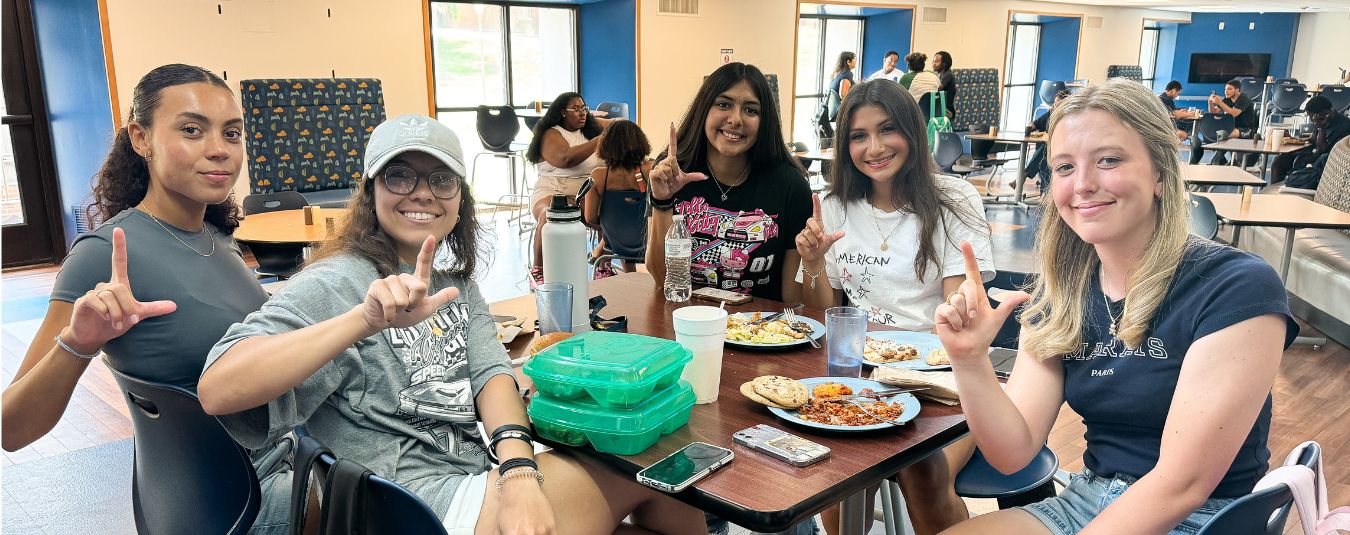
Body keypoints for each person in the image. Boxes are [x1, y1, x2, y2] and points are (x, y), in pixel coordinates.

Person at [198, 114, 706, 535]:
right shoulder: (340, 279)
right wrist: (362, 320)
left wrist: (519, 473)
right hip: (409, 508)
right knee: (660, 471)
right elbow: (218, 389)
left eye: (440, 179)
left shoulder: (452, 282)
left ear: (459, 196)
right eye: (399, 176)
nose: (422, 194)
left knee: (655, 497)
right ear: (370, 190)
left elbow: (492, 375)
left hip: (472, 476)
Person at [934, 79, 1298, 534]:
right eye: (1064, 167)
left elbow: (1183, 484)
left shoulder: (1234, 286)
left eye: (1108, 160)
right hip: (1089, 498)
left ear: (1160, 174)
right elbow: (1013, 454)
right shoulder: (1063, 292)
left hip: (1202, 517)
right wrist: (969, 361)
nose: (1083, 184)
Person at [1, 64, 266, 452]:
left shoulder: (217, 235)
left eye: (232, 133)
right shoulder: (104, 253)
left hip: (280, 444)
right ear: (141, 139)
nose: (219, 149)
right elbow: (11, 429)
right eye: (191, 130)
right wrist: (79, 342)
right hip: (234, 483)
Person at [795, 79, 993, 535]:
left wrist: (963, 305)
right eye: (859, 136)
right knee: (838, 469)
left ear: (912, 131)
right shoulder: (835, 205)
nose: (875, 147)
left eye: (887, 130)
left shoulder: (952, 198)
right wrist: (814, 263)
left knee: (921, 469)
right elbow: (823, 310)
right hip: (860, 374)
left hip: (941, 377)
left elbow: (960, 301)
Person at [645, 62, 811, 307]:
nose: (735, 119)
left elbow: (792, 299)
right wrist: (662, 202)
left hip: (758, 330)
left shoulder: (790, 185)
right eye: (723, 104)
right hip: (688, 321)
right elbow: (662, 278)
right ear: (704, 110)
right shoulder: (673, 172)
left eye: (751, 110)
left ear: (764, 121)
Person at [524, 91, 613, 286]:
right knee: (549, 214)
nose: (582, 113)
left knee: (608, 211)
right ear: (562, 112)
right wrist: (599, 140)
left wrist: (616, 129)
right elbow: (565, 159)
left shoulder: (591, 130)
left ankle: (602, 264)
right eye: (575, 109)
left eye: (584, 109)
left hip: (585, 190)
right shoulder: (551, 133)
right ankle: (538, 270)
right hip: (552, 189)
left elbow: (618, 126)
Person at [584, 119, 653, 274]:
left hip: (616, 242)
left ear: (606, 145)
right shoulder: (650, 170)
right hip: (650, 241)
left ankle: (627, 274)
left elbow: (590, 218)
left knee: (618, 227)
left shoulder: (598, 176)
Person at [1272, 95, 1350, 187]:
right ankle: (1273, 191)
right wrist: (1293, 139)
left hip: (1326, 163)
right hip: (1314, 156)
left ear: (1323, 113)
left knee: (1299, 162)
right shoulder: (1321, 120)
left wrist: (1321, 128)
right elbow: (1313, 139)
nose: (1311, 120)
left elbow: (1322, 151)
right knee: (1279, 160)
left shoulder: (1344, 126)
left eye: (1311, 117)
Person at [1191, 78, 1256, 166]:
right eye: (1225, 89)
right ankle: (1222, 161)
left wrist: (1221, 103)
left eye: (1229, 89)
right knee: (1214, 135)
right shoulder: (1227, 99)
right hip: (1231, 127)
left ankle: (1217, 160)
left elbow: (1234, 113)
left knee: (1223, 135)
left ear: (1237, 90)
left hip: (1246, 129)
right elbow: (1213, 113)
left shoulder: (1244, 99)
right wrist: (1210, 102)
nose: (1226, 91)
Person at [1023, 90, 1071, 185]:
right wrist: (1031, 125)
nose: (1056, 106)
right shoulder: (1051, 112)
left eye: (1059, 104)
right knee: (1045, 157)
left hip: (1063, 147)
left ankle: (1024, 175)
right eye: (1055, 103)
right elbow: (1036, 123)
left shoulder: (1069, 116)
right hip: (1049, 147)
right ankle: (1043, 193)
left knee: (1045, 151)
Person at [828, 51, 857, 120]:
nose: (856, 61)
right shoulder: (847, 74)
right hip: (841, 111)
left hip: (833, 110)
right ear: (848, 62)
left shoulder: (837, 73)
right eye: (854, 59)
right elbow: (843, 94)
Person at [932, 51, 958, 120]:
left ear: (944, 64)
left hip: (947, 111)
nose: (933, 64)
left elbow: (937, 89)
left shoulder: (948, 75)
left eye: (937, 62)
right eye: (933, 61)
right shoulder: (939, 75)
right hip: (939, 108)